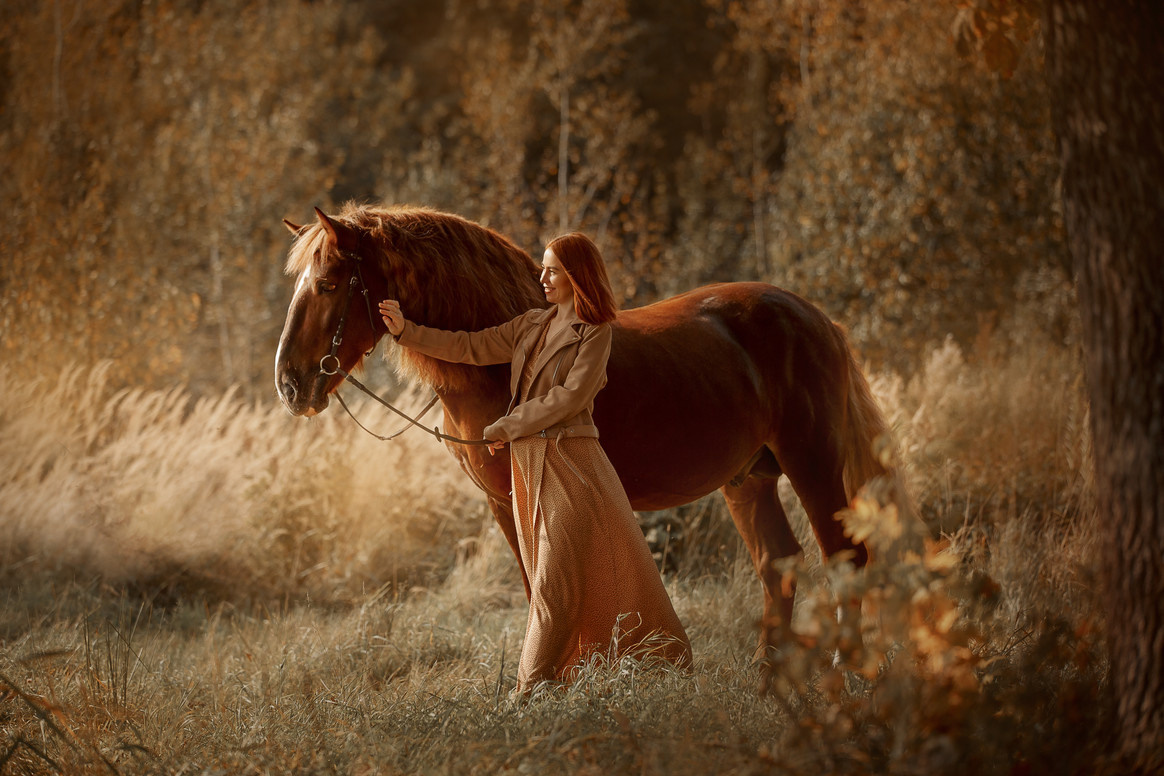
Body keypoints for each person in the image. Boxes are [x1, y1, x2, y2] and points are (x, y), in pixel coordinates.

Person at [379, 233, 692, 691]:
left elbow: (572, 396)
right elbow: (468, 346)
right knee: (577, 574)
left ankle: (531, 689)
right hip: (530, 463)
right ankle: (610, 669)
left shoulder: (595, 332)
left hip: (572, 458)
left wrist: (509, 423)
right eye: (543, 269)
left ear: (577, 278)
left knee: (554, 581)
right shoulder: (529, 325)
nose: (541, 277)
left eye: (553, 271)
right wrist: (407, 332)